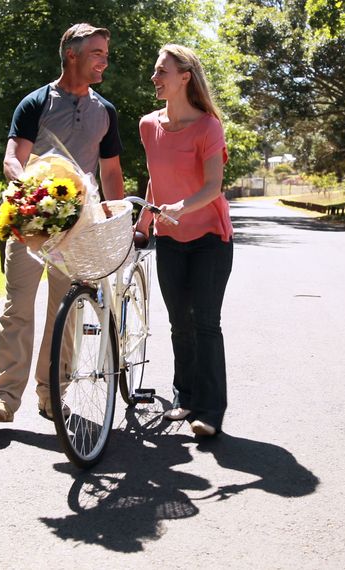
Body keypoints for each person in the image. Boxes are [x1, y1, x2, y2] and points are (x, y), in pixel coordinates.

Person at [0, 23, 125, 422]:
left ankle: (51, 393)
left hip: (79, 227)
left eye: (105, 54)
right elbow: (13, 156)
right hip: (30, 220)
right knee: (18, 308)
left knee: (65, 314)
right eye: (97, 53)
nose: (104, 61)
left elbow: (111, 173)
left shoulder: (105, 111)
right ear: (72, 55)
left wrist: (116, 219)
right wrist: (28, 181)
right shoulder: (35, 102)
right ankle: (4, 397)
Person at [135, 44, 231, 437]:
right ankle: (184, 397)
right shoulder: (148, 126)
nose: (155, 78)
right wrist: (144, 222)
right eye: (156, 71)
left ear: (185, 77)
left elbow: (213, 186)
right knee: (179, 323)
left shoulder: (208, 126)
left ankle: (209, 411)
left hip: (210, 238)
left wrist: (180, 207)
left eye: (162, 72)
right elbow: (154, 181)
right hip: (170, 238)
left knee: (205, 323)